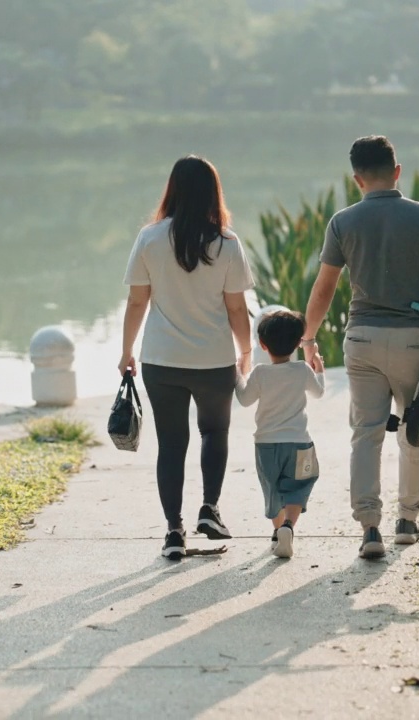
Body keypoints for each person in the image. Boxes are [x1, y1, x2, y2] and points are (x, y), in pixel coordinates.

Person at [301, 135, 419, 560]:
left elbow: (325, 287)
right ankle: (407, 520)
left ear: (357, 180)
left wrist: (309, 337)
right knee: (415, 430)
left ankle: (370, 528)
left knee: (365, 435)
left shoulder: (342, 221)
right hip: (415, 339)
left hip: (364, 339)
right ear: (397, 172)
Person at [119, 155, 255, 561]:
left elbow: (137, 300)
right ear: (214, 192)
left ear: (172, 189)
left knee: (171, 444)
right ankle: (210, 510)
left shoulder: (150, 238)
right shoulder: (227, 243)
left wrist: (126, 350)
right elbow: (236, 308)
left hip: (162, 360)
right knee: (214, 433)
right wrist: (246, 350)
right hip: (213, 360)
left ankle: (174, 530)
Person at [235, 310, 325, 559]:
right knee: (299, 486)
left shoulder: (261, 373)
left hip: (266, 444)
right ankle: (288, 528)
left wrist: (238, 373)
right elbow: (318, 393)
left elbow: (244, 399)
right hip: (299, 443)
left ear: (263, 346)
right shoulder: (301, 370)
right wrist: (318, 370)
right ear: (298, 343)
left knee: (272, 489)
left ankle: (277, 532)